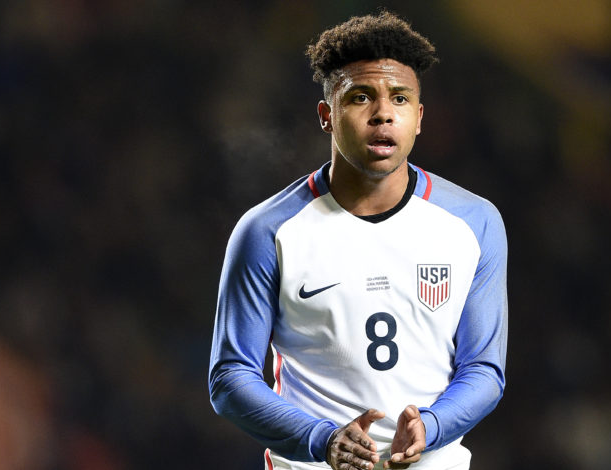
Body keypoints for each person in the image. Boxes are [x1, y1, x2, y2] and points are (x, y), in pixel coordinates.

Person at [209, 11, 508, 470]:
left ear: (419, 118)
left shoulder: (475, 222)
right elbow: (230, 377)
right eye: (361, 97)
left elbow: (484, 370)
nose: (383, 113)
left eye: (400, 98)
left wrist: (432, 425)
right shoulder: (267, 231)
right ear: (326, 116)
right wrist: (322, 438)